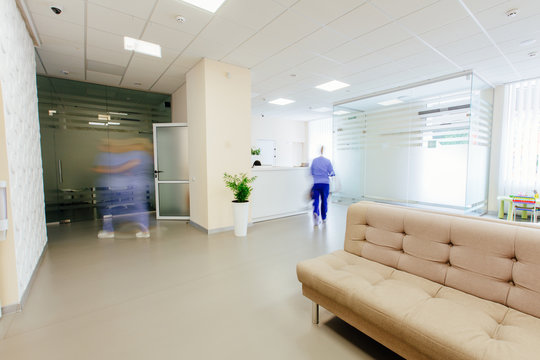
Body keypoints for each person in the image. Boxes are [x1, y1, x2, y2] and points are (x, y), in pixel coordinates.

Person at [93, 138, 153, 239]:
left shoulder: (138, 155)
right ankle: (142, 229)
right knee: (136, 207)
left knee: (114, 208)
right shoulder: (138, 155)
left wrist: (114, 170)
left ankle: (109, 230)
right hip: (126, 186)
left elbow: (129, 166)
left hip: (126, 186)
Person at [310, 146, 335, 226]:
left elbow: (311, 172)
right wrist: (330, 174)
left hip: (316, 183)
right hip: (325, 184)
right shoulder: (327, 161)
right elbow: (332, 172)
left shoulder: (314, 161)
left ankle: (316, 212)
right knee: (324, 200)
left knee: (316, 199)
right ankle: (324, 217)